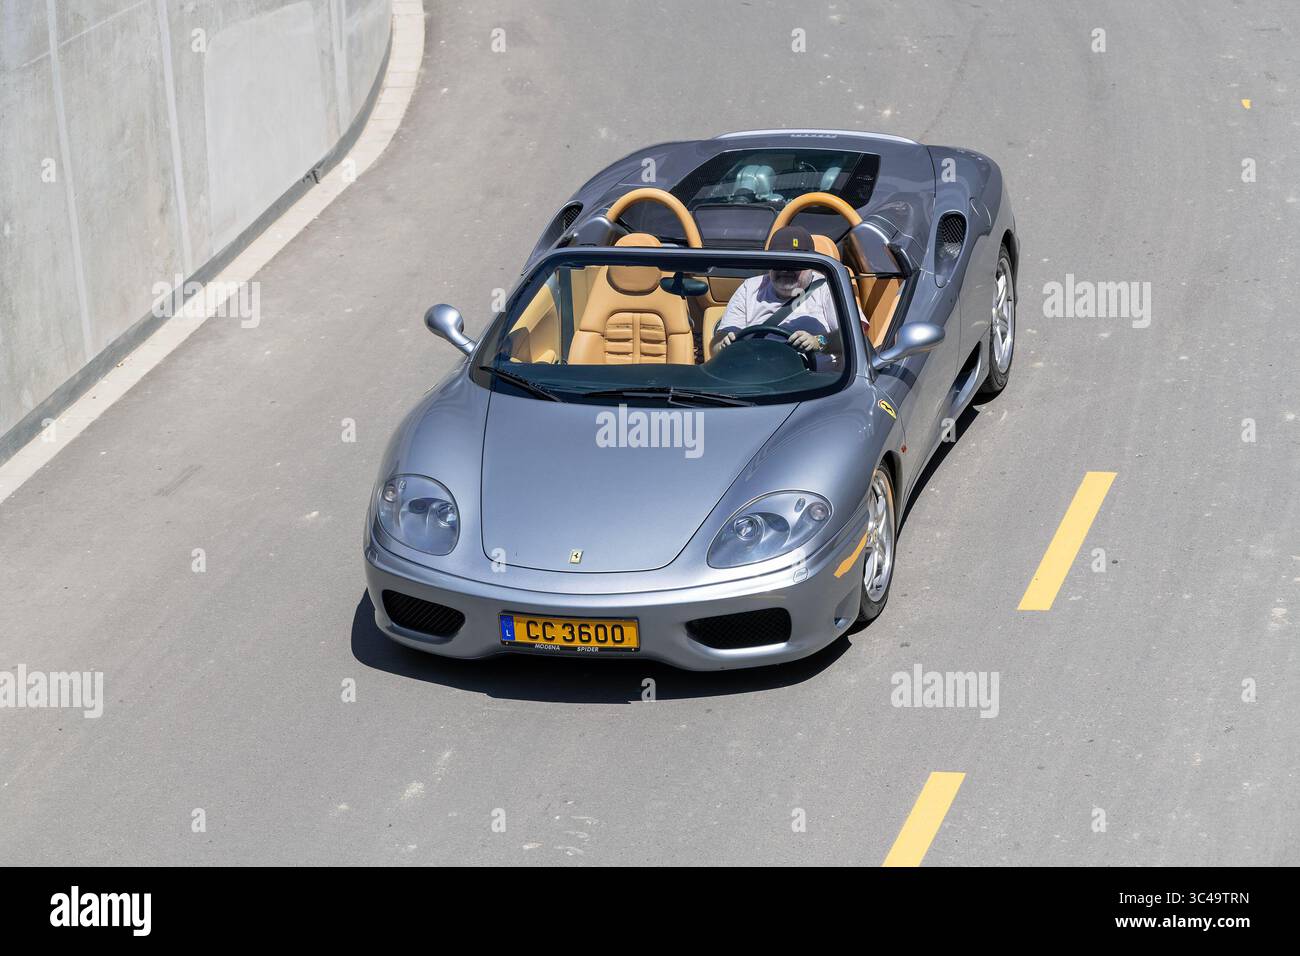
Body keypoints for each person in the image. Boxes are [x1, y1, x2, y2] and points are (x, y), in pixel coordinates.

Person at [710, 225, 855, 365]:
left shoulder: (827, 288)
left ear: (811, 265)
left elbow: (855, 336)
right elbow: (717, 345)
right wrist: (723, 346)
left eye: (794, 265)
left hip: (818, 382)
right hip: (756, 377)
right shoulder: (750, 288)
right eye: (779, 263)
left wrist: (820, 342)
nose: (785, 271)